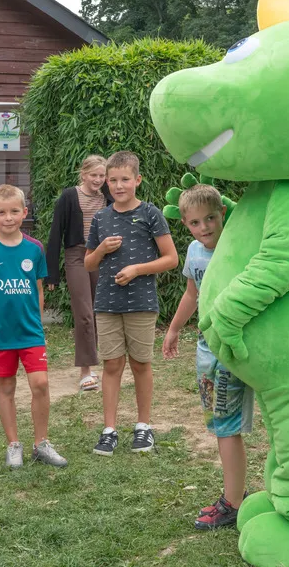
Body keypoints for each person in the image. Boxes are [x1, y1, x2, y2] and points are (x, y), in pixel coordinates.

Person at [162, 184, 254, 529]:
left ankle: (232, 502)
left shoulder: (239, 247)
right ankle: (237, 493)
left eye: (211, 218)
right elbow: (192, 294)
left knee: (226, 428)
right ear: (185, 224)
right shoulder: (194, 251)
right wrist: (173, 329)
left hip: (232, 351)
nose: (205, 228)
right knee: (219, 426)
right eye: (196, 222)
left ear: (223, 214)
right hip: (205, 350)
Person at [84, 151, 178, 455]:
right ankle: (109, 430)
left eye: (125, 179)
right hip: (107, 303)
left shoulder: (151, 214)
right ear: (106, 183)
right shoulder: (101, 217)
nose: (119, 185)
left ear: (137, 180)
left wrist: (137, 269)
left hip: (141, 301)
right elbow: (88, 264)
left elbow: (171, 259)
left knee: (140, 363)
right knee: (111, 364)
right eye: (113, 180)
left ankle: (143, 427)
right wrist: (100, 250)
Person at [0, 184, 67, 469]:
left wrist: (37, 320)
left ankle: (41, 443)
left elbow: (38, 289)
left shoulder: (35, 248)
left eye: (14, 211)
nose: (8, 217)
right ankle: (13, 444)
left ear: (24, 213)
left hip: (30, 332)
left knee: (40, 383)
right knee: (6, 386)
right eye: (1, 212)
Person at [46, 155, 113, 392]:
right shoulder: (69, 196)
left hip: (101, 256)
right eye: (93, 175)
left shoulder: (108, 196)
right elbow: (55, 233)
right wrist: (51, 273)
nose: (97, 179)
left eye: (101, 175)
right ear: (82, 174)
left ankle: (104, 362)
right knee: (84, 313)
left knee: (99, 311)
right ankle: (86, 370)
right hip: (76, 256)